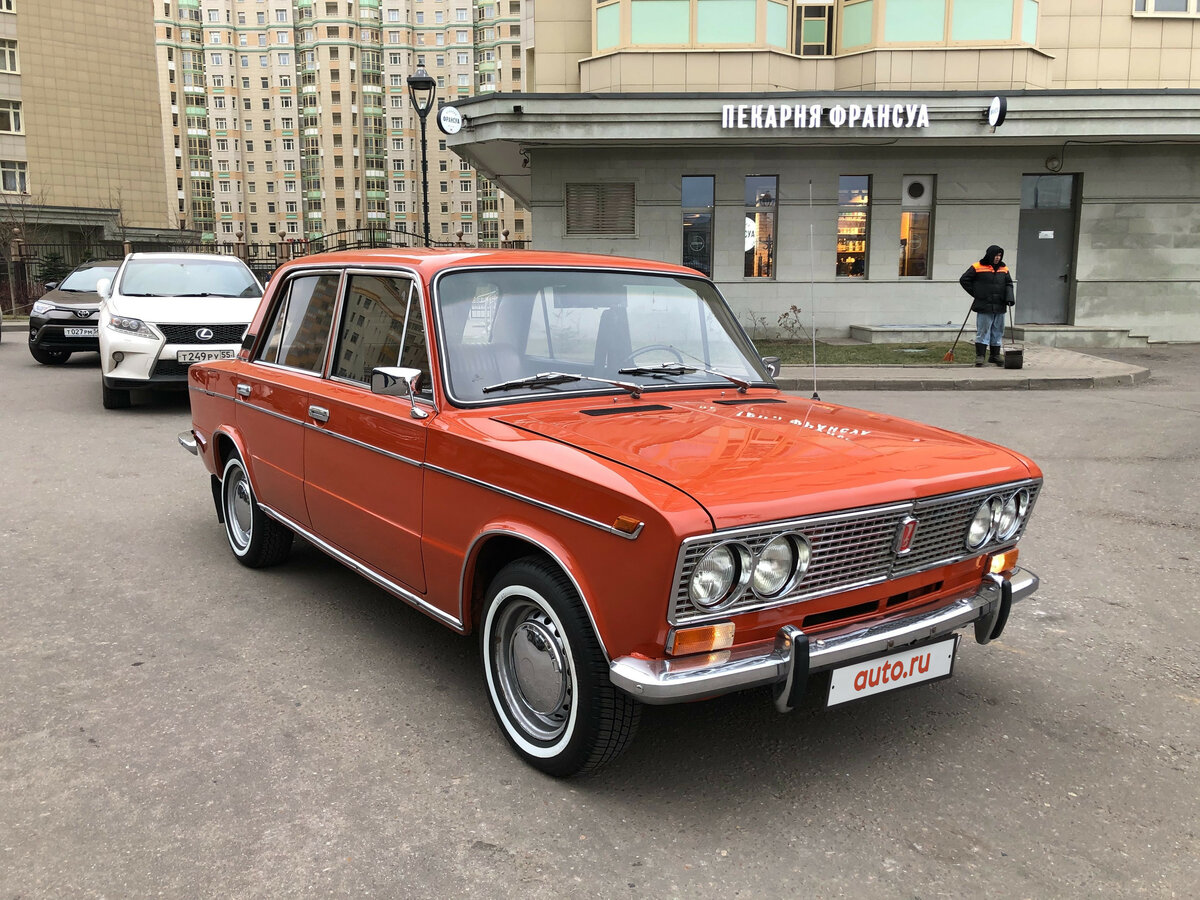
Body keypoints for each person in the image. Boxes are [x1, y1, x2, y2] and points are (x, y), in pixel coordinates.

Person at [959, 244, 1015, 367]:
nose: (998, 258)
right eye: (996, 255)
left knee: (998, 331)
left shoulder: (1004, 268)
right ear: (990, 255)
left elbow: (1009, 284)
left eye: (1000, 255)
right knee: (983, 331)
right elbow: (964, 280)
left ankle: (995, 356)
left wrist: (1009, 298)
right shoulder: (977, 267)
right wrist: (977, 293)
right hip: (984, 305)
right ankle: (980, 356)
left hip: (1000, 305)